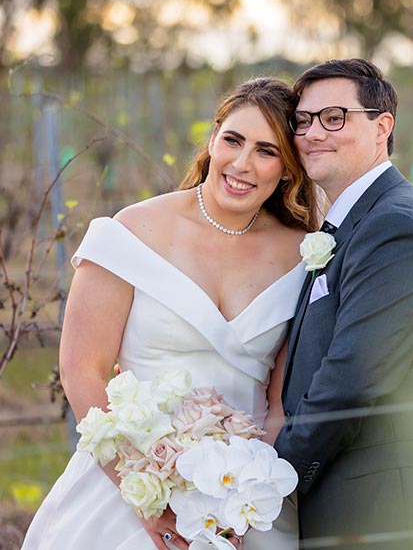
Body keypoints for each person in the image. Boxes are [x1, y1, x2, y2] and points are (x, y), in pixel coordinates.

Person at [22, 77, 319, 550]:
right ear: (213, 139)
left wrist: (240, 501)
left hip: (243, 498)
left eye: (267, 151)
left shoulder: (302, 254)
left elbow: (279, 403)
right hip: (127, 482)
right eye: (233, 140)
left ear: (287, 169)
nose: (242, 164)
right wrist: (148, 496)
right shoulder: (131, 232)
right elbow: (82, 371)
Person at [275, 59, 413, 549]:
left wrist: (270, 479)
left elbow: (351, 380)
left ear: (382, 127)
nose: (314, 132)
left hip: (402, 509)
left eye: (334, 117)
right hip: (365, 503)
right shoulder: (352, 222)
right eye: (303, 121)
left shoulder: (397, 226)